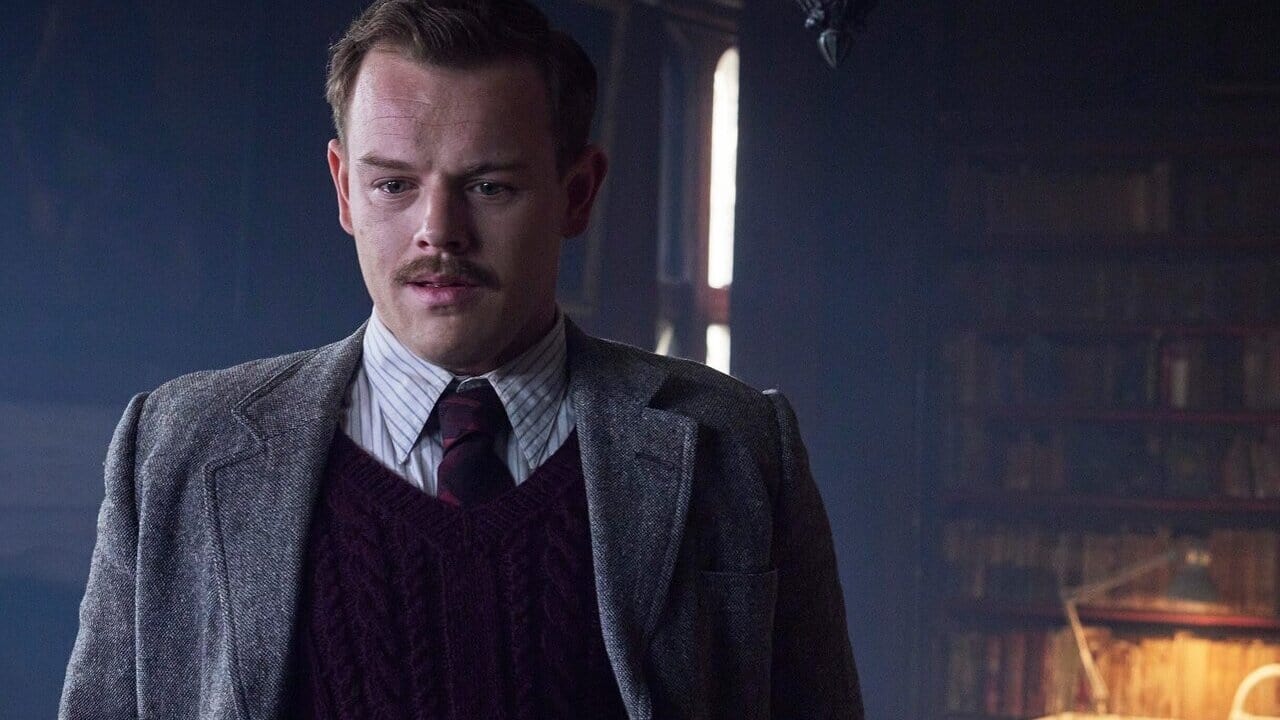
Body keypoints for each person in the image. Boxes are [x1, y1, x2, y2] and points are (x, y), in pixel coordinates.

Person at [59, 0, 864, 717]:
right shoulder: (175, 448)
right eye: (393, 186)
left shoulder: (739, 449)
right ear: (344, 190)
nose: (438, 232)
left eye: (489, 187)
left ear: (578, 192)